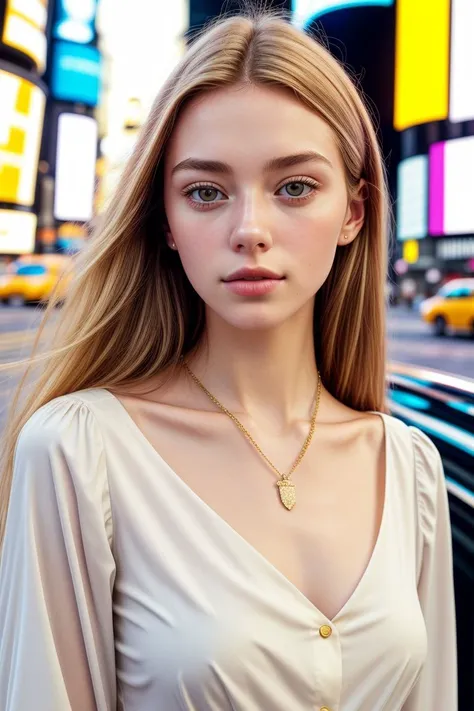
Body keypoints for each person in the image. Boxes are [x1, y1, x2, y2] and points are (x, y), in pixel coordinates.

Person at [0, 10, 457, 711]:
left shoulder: (409, 466)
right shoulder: (77, 452)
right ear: (166, 223)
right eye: (206, 192)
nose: (250, 230)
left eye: (295, 187)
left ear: (354, 212)